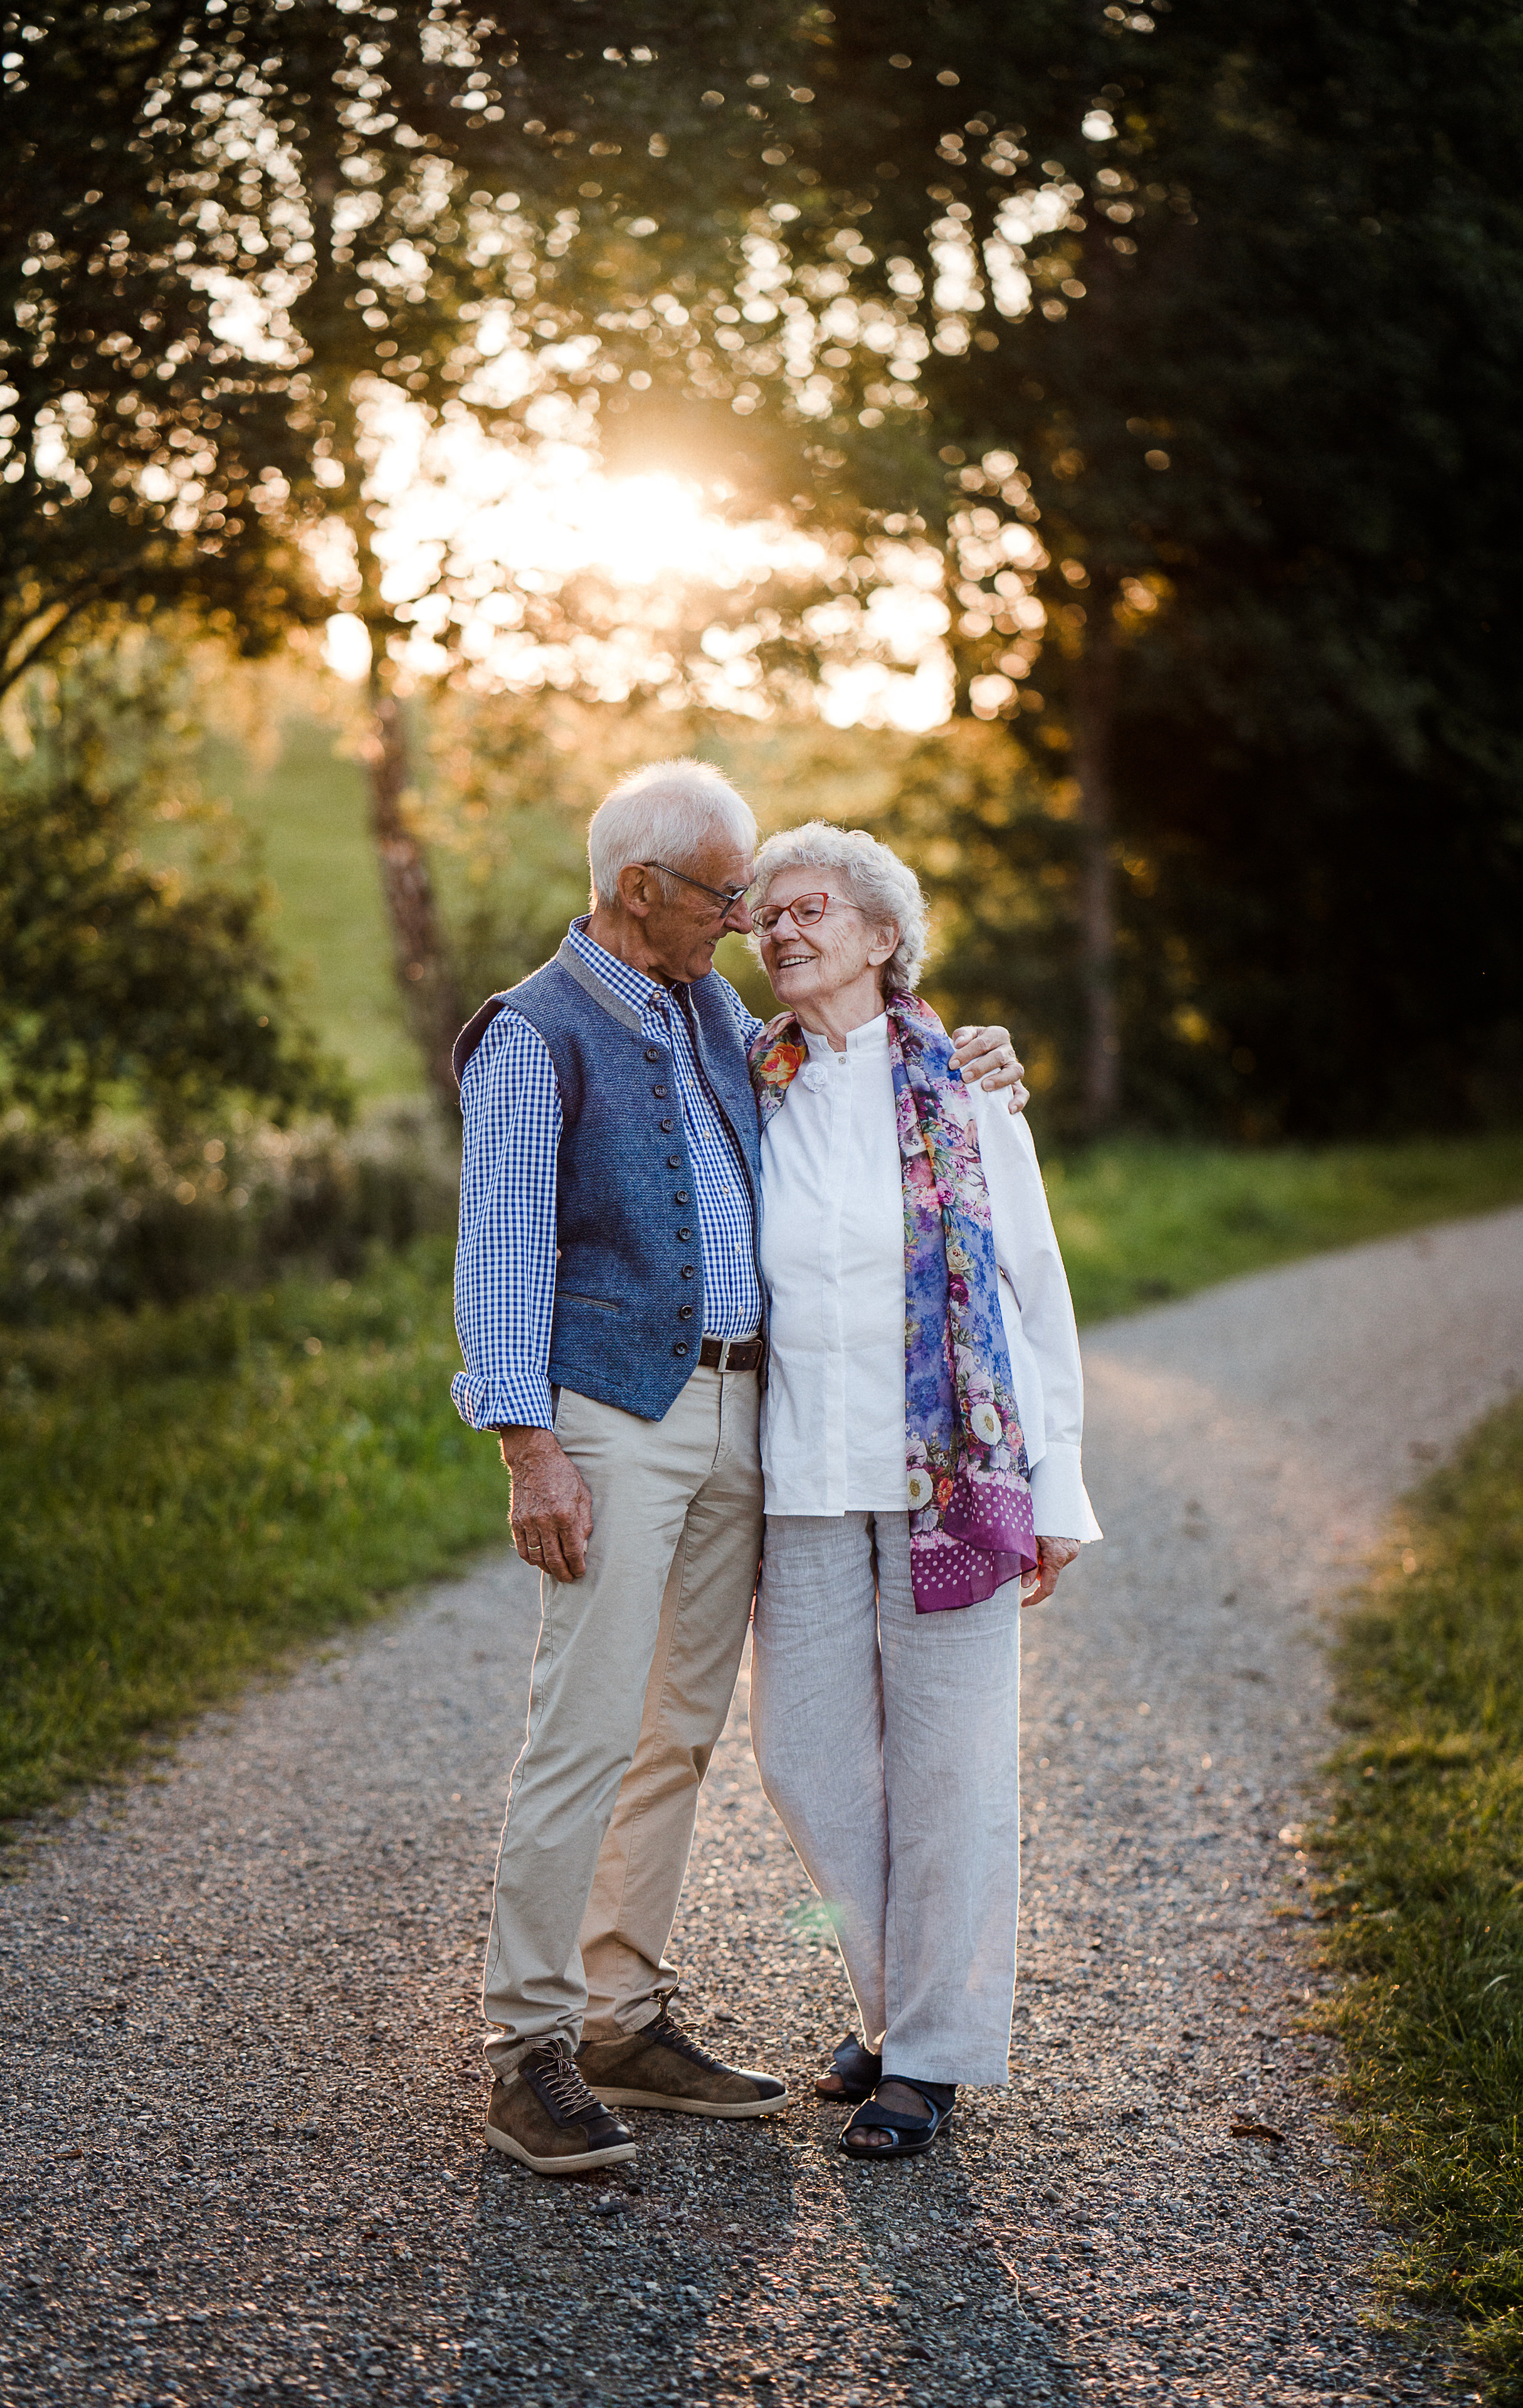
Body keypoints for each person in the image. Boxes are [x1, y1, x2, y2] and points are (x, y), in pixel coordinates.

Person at [451, 760, 1027, 2175]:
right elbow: (503, 1250)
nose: (742, 920)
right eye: (723, 894)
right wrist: (529, 1449)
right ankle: (527, 2044)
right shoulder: (534, 1033)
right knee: (585, 1723)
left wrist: (970, 1061)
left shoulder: (715, 1013)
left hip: (741, 1419)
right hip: (612, 1419)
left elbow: (864, 1077)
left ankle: (621, 2014)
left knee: (677, 1733)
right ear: (640, 890)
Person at [744, 823, 1101, 2161]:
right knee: (803, 1758)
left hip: (950, 1474)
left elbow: (1032, 1286)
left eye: (811, 909)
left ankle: (928, 2061)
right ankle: (901, 2007)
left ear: (883, 937)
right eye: (765, 916)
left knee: (947, 1766)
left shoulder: (965, 1083)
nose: (782, 930)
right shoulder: (753, 1082)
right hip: (801, 1473)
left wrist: (1053, 1484)